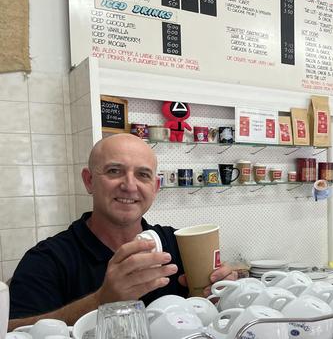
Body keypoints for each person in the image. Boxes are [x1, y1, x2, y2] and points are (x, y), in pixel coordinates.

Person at [7, 133, 235, 330]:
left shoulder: (180, 244)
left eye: (143, 175)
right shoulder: (47, 259)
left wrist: (221, 291)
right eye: (114, 171)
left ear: (154, 188)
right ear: (89, 181)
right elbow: (11, 330)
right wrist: (101, 302)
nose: (130, 185)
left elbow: (210, 310)